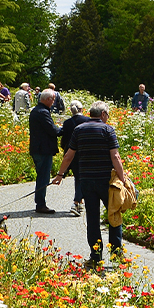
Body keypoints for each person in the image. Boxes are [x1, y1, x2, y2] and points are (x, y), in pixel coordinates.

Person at [53, 102, 136, 269]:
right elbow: (115, 157)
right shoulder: (107, 130)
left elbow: (69, 156)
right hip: (107, 182)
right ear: (104, 114)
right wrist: (123, 178)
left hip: (86, 181)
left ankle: (95, 256)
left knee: (92, 219)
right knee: (114, 214)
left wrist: (60, 175)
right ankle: (117, 254)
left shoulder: (79, 130)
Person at [28, 89, 60, 214]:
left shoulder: (37, 110)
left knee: (41, 175)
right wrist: (63, 129)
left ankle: (40, 202)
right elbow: (52, 130)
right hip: (43, 149)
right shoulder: (42, 112)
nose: (53, 102)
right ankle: (40, 204)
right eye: (52, 99)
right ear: (47, 99)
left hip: (38, 148)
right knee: (43, 177)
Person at [60, 100, 90, 216]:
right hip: (84, 153)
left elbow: (64, 140)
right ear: (82, 110)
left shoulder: (67, 123)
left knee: (78, 177)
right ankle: (76, 202)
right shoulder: (87, 120)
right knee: (82, 178)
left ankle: (80, 202)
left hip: (71, 153)